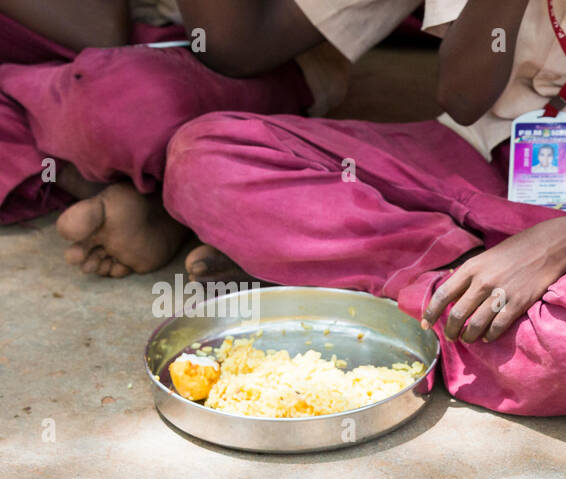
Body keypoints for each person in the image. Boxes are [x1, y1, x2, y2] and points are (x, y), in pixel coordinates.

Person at [162, 0, 566, 416]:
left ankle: (336, 280)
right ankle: (458, 288)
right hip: (470, 155)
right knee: (207, 153)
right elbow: (462, 98)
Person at [0, 0, 419, 276]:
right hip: (65, 54)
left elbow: (230, 46)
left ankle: (163, 187)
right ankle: (162, 187)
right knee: (102, 98)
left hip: (227, 63)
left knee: (126, 101)